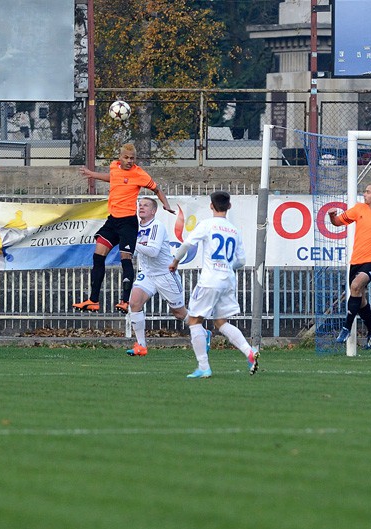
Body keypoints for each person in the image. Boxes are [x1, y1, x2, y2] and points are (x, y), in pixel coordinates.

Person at [73, 143, 175, 313]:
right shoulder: (114, 167)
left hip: (128, 222)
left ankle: (125, 301)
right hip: (112, 221)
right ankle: (93, 300)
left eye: (132, 158)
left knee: (125, 258)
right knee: (98, 256)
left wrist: (165, 204)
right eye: (126, 158)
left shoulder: (139, 174)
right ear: (120, 158)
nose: (129, 161)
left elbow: (157, 190)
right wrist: (92, 174)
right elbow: (113, 177)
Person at [169, 191, 258, 378]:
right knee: (220, 322)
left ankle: (203, 367)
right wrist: (227, 265)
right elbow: (241, 260)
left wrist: (175, 261)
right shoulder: (234, 230)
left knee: (194, 320)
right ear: (229, 206)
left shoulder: (207, 225)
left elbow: (186, 244)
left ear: (211, 206)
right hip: (227, 280)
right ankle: (249, 351)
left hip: (210, 280)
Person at [328, 182, 371, 348]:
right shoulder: (359, 209)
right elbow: (338, 222)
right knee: (359, 298)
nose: (364, 194)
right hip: (356, 260)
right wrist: (332, 216)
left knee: (356, 285)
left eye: (367, 192)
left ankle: (346, 328)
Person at [125, 197, 198, 357]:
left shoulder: (157, 226)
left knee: (179, 313)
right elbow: (136, 249)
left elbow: (153, 251)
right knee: (134, 303)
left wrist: (131, 242)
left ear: (153, 211)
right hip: (147, 273)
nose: (141, 207)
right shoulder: (136, 227)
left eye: (146, 205)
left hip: (165, 274)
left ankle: (202, 332)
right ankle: (141, 346)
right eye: (140, 205)